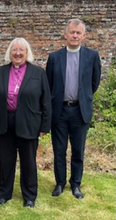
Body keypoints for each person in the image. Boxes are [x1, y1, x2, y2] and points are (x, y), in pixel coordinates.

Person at [0, 37, 51, 208]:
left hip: (29, 123)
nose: (17, 53)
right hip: (4, 122)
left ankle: (29, 196)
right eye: (14, 50)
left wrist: (45, 126)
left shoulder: (38, 73)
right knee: (6, 161)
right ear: (10, 52)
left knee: (28, 162)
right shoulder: (1, 72)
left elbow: (46, 101)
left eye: (21, 50)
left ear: (27, 52)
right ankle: (4, 194)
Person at [46, 18, 101, 199]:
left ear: (84, 35)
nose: (75, 35)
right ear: (66, 34)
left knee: (78, 150)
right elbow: (49, 84)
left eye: (78, 33)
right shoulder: (54, 57)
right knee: (59, 150)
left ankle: (76, 184)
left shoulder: (92, 56)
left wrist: (83, 99)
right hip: (60, 111)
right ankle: (60, 183)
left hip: (80, 111)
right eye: (72, 32)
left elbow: (94, 83)